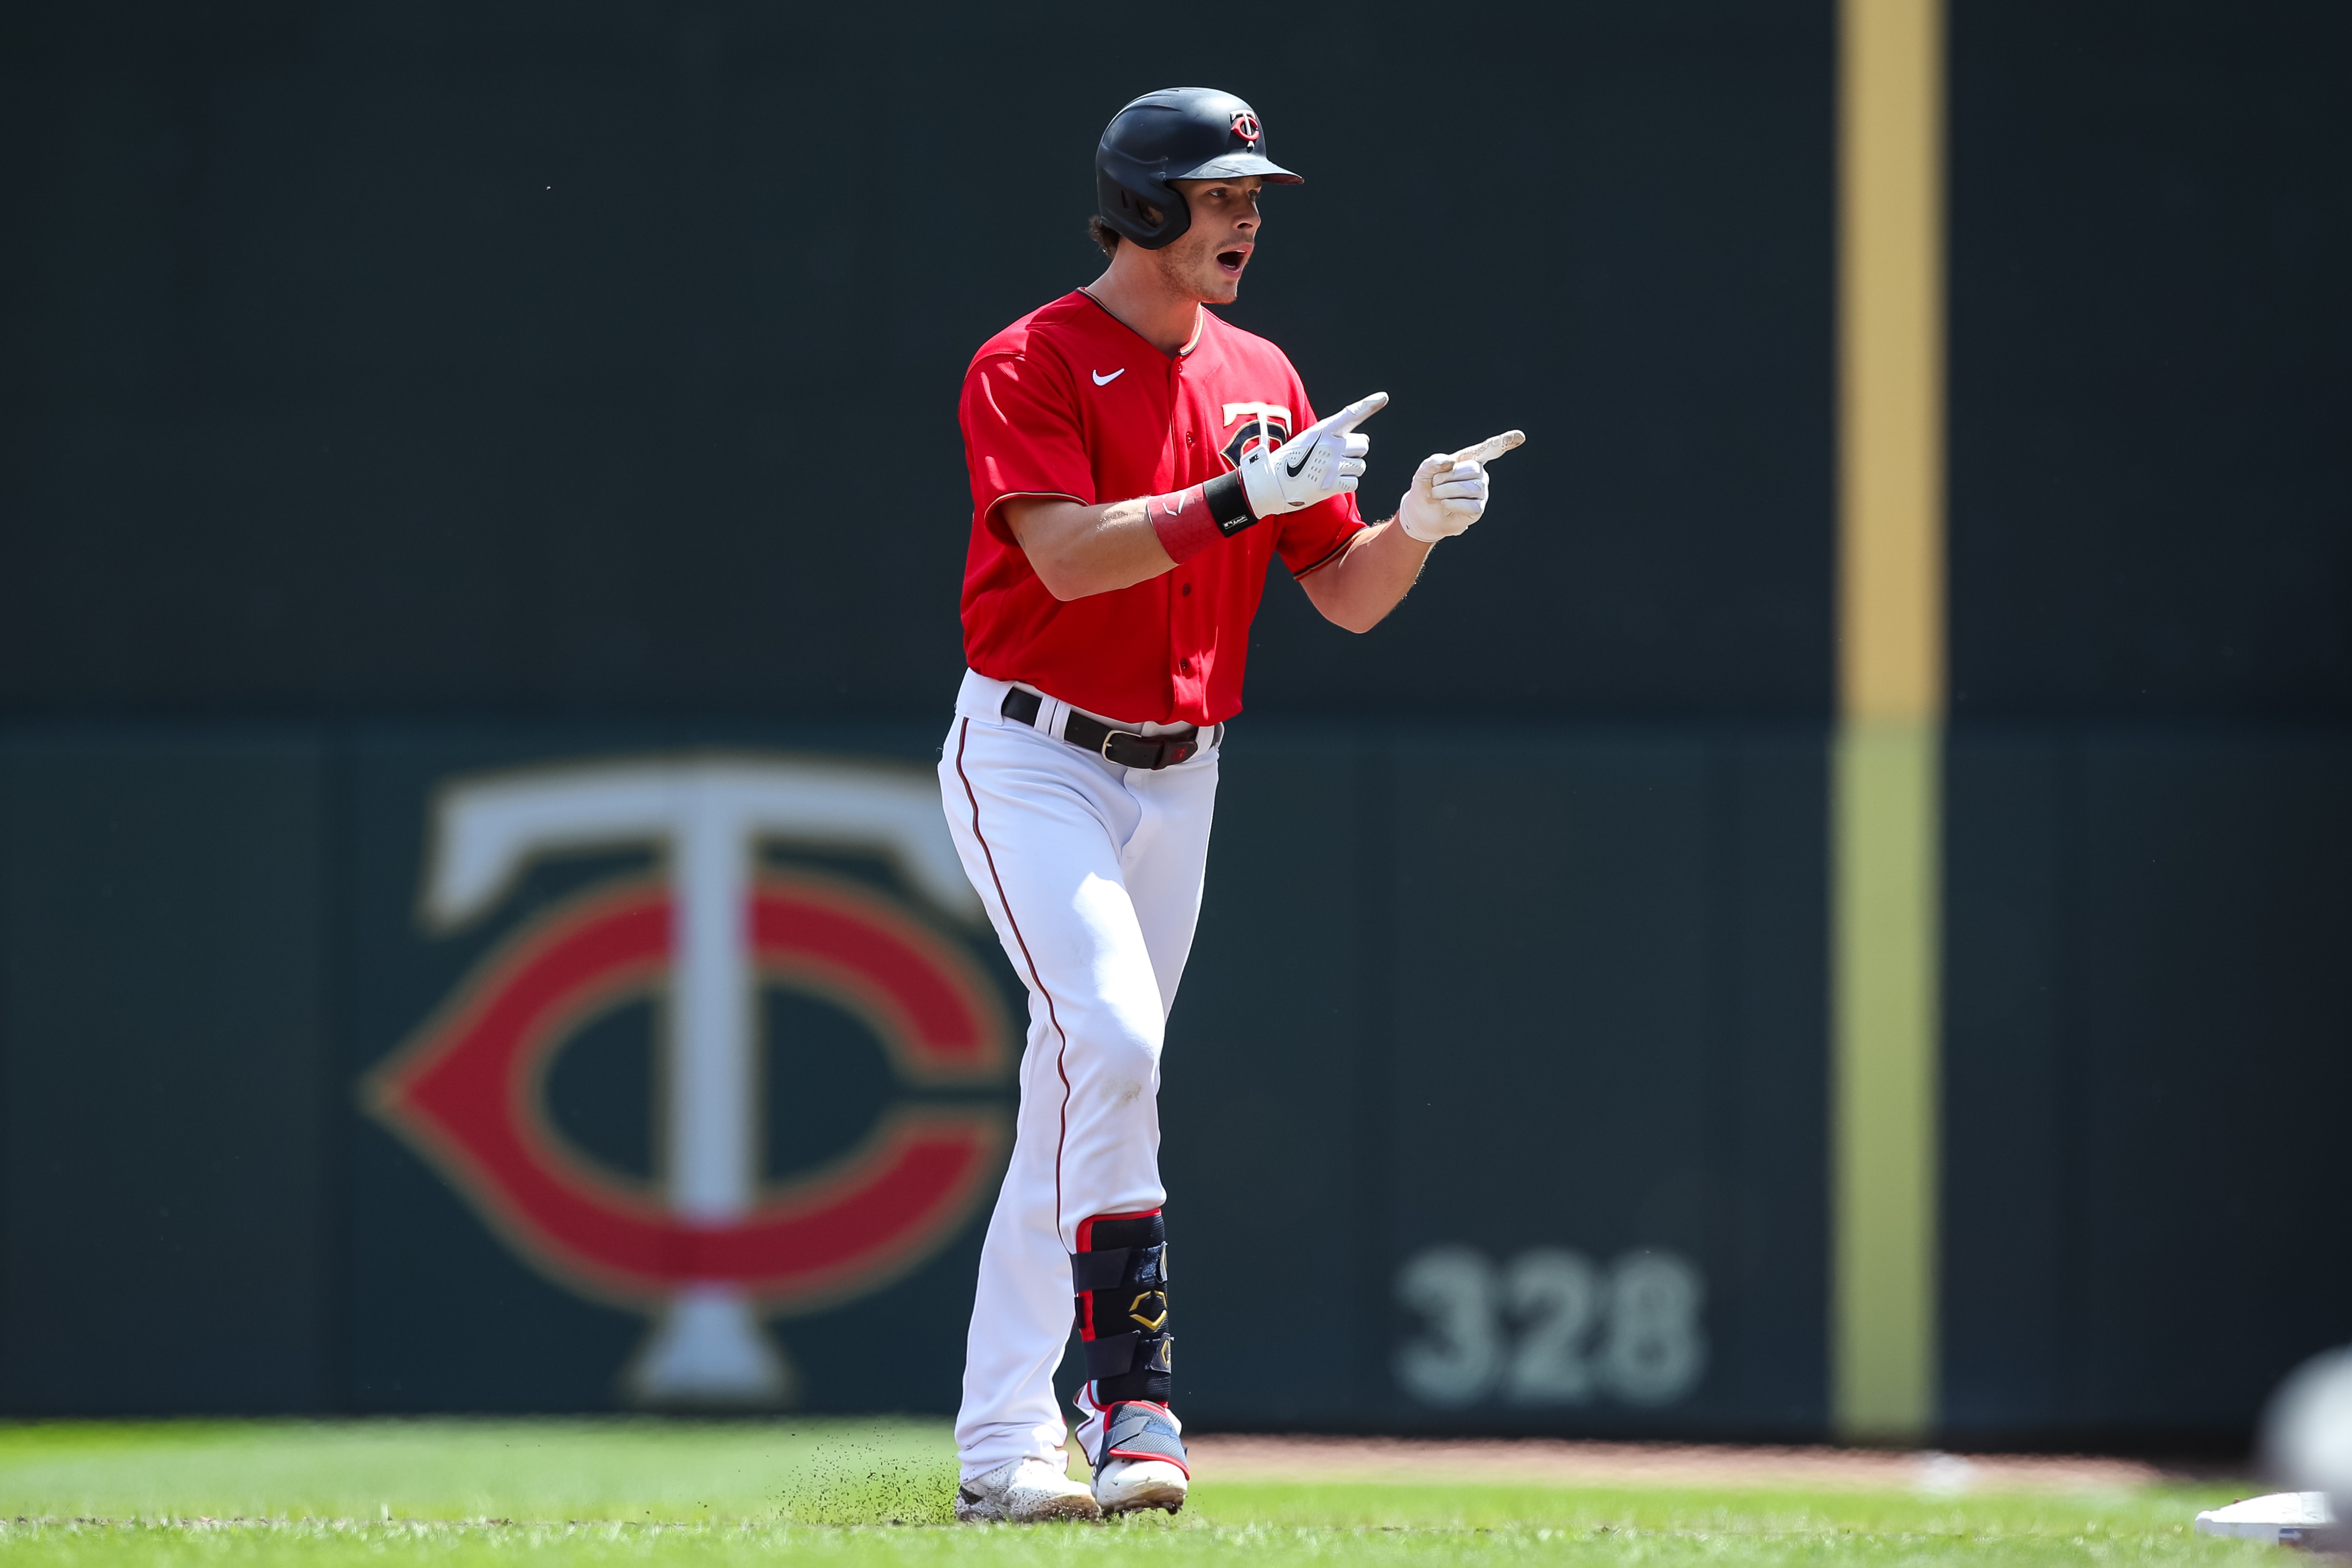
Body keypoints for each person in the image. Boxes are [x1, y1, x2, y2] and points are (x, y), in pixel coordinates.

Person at [936, 87, 1510, 1523]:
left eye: (1253, 191)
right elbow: (1065, 559)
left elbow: (1348, 596)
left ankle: (1004, 1442)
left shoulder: (1261, 368)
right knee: (1111, 1040)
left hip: (1178, 767)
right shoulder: (1032, 357)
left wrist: (1415, 530)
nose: (1244, 213)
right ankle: (1132, 1396)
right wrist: (1241, 501)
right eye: (1215, 191)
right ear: (1139, 205)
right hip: (1033, 754)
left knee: (1081, 1082)